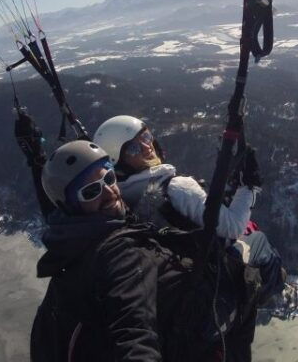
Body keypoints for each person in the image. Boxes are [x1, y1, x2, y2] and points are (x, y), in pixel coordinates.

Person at [28, 139, 262, 362]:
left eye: (109, 177)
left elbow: (53, 208)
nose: (109, 191)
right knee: (246, 282)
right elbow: (134, 331)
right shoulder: (119, 252)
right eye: (91, 191)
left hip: (57, 361)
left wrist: (35, 158)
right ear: (73, 206)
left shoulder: (70, 231)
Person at [93, 115, 284, 299]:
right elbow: (233, 228)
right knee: (259, 241)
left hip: (177, 269)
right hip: (209, 271)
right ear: (119, 161)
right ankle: (264, 293)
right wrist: (249, 187)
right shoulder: (176, 187)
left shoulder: (120, 197)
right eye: (133, 148)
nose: (146, 147)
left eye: (145, 136)